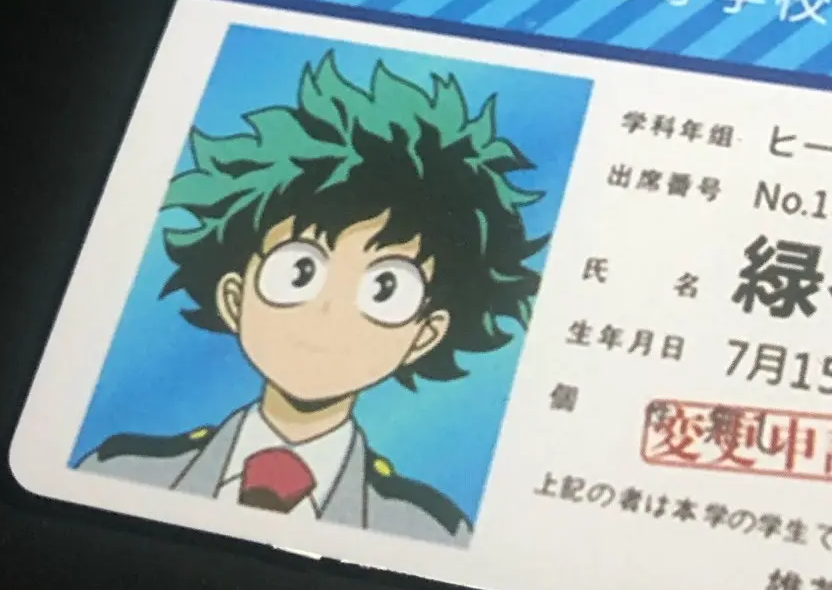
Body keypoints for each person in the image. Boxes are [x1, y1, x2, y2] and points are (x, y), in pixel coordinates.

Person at [79, 52, 545, 543]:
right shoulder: (122, 471)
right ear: (234, 297)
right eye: (299, 272)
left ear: (425, 335)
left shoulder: (430, 532)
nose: (329, 314)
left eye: (385, 290)